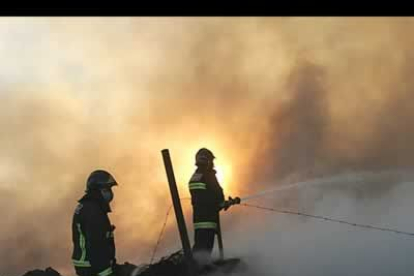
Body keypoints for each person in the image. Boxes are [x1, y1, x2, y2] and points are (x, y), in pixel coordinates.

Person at [188, 148, 238, 268]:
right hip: (206, 219)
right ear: (207, 161)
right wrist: (220, 203)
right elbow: (208, 197)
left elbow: (207, 196)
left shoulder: (199, 175)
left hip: (203, 219)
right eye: (211, 160)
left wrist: (222, 203)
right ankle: (199, 270)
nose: (212, 163)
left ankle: (199, 267)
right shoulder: (205, 175)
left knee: (202, 247)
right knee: (203, 248)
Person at [71, 169, 119, 276]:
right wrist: (107, 273)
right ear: (96, 190)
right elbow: (96, 247)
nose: (110, 193)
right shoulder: (93, 211)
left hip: (87, 264)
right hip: (91, 267)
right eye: (107, 189)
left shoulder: (89, 206)